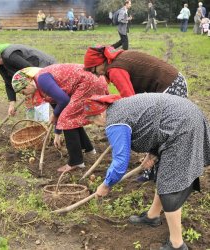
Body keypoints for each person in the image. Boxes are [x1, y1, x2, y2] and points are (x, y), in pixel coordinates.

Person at [84, 93, 210, 250]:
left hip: (183, 127)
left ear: (101, 113)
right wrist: (152, 154)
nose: (97, 126)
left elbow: (120, 162)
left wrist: (106, 184)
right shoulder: (118, 108)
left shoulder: (114, 122)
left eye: (94, 121)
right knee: (164, 176)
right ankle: (153, 216)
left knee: (170, 187)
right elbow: (152, 124)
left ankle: (177, 244)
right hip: (185, 116)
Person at [84, 45, 188, 181]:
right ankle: (152, 171)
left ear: (99, 63)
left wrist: (120, 122)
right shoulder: (117, 60)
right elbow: (135, 95)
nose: (97, 75)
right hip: (173, 82)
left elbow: (130, 100)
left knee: (160, 131)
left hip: (171, 86)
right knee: (158, 130)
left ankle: (162, 173)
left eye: (94, 70)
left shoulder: (115, 69)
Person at [11, 64, 109, 172]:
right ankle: (89, 150)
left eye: (22, 92)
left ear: (27, 84)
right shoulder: (41, 86)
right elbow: (60, 109)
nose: (25, 95)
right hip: (91, 81)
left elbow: (63, 102)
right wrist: (57, 132)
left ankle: (76, 162)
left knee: (68, 119)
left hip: (89, 82)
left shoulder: (42, 80)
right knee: (71, 117)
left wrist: (55, 118)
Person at [0, 43, 56, 121]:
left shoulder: (10, 56)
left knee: (42, 98)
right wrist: (12, 104)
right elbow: (8, 83)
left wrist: (32, 87)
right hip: (33, 74)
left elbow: (31, 70)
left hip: (45, 67)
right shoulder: (0, 66)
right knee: (31, 99)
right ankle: (34, 124)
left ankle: (44, 123)